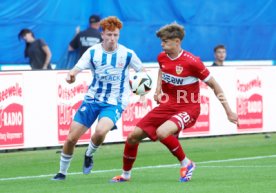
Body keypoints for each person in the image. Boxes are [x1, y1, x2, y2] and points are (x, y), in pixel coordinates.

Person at [111, 23, 238, 183]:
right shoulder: (162, 57)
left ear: (177, 42)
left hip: (189, 107)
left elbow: (214, 85)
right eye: (161, 41)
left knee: (163, 132)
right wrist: (158, 90)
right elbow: (162, 69)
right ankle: (125, 175)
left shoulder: (193, 62)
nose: (161, 44)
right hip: (167, 105)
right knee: (132, 137)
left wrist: (229, 111)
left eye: (165, 41)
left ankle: (187, 163)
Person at [52, 16, 145, 180]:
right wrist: (71, 76)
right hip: (92, 99)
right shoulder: (93, 52)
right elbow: (75, 69)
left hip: (115, 102)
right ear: (102, 34)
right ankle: (61, 173)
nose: (112, 38)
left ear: (119, 35)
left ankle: (89, 154)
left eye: (115, 35)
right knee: (71, 138)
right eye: (109, 34)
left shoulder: (127, 54)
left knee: (100, 132)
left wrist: (141, 89)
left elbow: (142, 71)